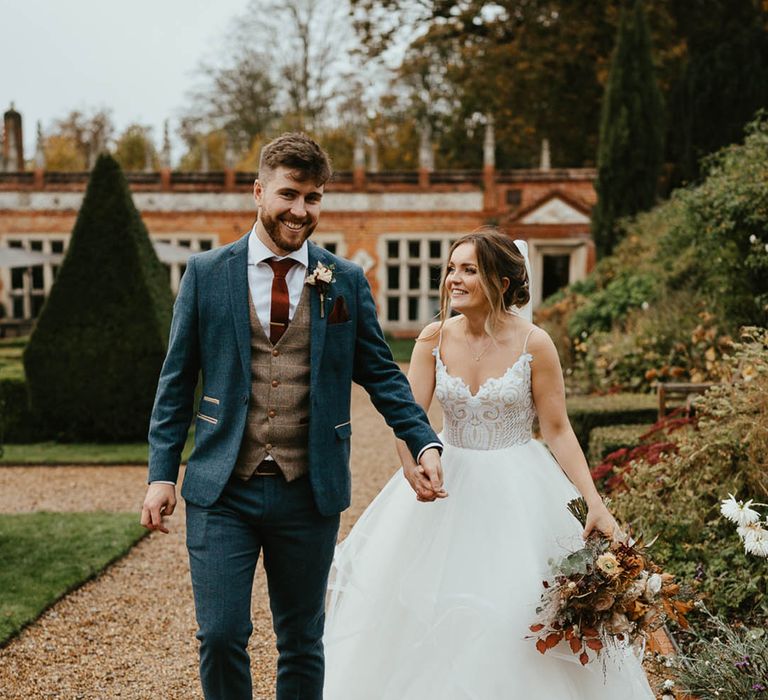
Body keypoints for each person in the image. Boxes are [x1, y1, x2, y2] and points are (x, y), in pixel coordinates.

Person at [140, 132, 443, 700]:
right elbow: (175, 384)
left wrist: (423, 442)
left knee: (302, 639)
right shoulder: (207, 274)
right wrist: (162, 474)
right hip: (221, 487)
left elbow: (380, 373)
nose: (301, 211)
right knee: (222, 635)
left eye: (314, 198)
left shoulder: (344, 279)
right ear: (258, 192)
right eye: (289, 195)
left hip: (309, 491)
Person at [323, 229, 655, 698]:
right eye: (452, 268)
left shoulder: (535, 344)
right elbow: (407, 415)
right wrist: (412, 465)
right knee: (423, 608)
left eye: (468, 270)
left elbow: (557, 429)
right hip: (446, 481)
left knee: (514, 609)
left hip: (518, 490)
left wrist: (594, 502)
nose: (453, 280)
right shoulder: (432, 339)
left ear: (500, 282)